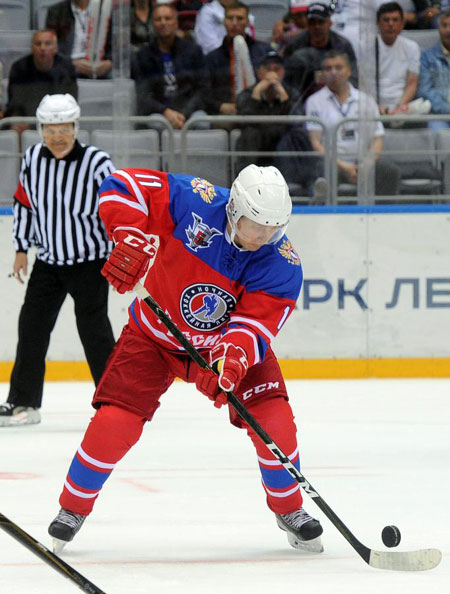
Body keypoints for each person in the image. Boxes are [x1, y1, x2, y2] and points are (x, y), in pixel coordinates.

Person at [47, 164, 324, 554]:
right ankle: (72, 508)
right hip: (152, 337)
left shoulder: (281, 263)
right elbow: (122, 184)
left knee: (275, 423)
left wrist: (233, 358)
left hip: (220, 350)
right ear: (233, 209)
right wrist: (128, 234)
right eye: (254, 225)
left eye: (273, 228)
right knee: (114, 423)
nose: (263, 237)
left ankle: (289, 508)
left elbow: (255, 325)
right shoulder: (195, 199)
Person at [0, 94, 116, 427]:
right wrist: (21, 248)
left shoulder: (97, 162)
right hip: (48, 262)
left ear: (75, 126)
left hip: (90, 262)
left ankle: (114, 402)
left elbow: (116, 208)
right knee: (31, 328)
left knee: (95, 332)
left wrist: (120, 250)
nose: (57, 136)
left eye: (64, 128)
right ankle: (23, 403)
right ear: (41, 129)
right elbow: (24, 203)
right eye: (50, 129)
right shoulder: (33, 157)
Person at [305, 50, 401, 195]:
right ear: (322, 74)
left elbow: (377, 140)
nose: (333, 72)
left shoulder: (366, 100)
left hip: (362, 161)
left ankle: (384, 216)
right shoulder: (314, 101)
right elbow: (316, 144)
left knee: (390, 171)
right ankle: (325, 215)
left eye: (338, 67)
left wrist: (365, 165)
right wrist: (345, 167)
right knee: (321, 173)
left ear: (349, 71)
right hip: (333, 163)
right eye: (328, 68)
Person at [132, 3, 209, 129]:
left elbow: (203, 88)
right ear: (153, 24)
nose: (163, 23)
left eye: (168, 18)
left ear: (176, 23)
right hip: (159, 112)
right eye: (158, 19)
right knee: (156, 123)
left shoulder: (193, 51)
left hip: (189, 110)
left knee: (202, 122)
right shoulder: (142, 56)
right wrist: (165, 111)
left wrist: (184, 113)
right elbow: (143, 94)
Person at [4, 29, 77, 134]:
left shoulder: (67, 68)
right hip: (25, 124)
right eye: (38, 44)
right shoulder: (19, 68)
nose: (42, 48)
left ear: (55, 48)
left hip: (57, 121)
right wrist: (19, 122)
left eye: (47, 44)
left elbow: (68, 102)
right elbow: (15, 103)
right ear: (32, 48)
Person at [235, 51, 300, 170]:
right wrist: (257, 92)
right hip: (257, 145)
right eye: (267, 69)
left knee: (292, 135)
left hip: (280, 144)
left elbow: (294, 120)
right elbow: (245, 121)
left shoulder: (292, 93)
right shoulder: (246, 94)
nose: (272, 73)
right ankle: (247, 176)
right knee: (250, 133)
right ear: (259, 72)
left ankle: (291, 182)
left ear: (283, 72)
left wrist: (282, 94)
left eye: (277, 69)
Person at [205, 1, 271, 117]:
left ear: (248, 22)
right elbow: (204, 92)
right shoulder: (212, 58)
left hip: (260, 111)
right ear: (224, 22)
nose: (234, 23)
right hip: (226, 114)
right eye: (230, 18)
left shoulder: (264, 52)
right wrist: (219, 106)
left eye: (239, 19)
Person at [284, 2, 358, 104]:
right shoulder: (294, 45)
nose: (317, 27)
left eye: (321, 22)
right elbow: (286, 79)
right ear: (307, 25)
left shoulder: (342, 45)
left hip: (337, 97)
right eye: (312, 23)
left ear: (329, 23)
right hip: (301, 99)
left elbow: (353, 77)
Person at [373, 2, 421, 117]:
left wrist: (399, 107)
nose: (390, 24)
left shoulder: (412, 47)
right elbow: (364, 83)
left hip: (402, 104)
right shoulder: (366, 46)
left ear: (402, 23)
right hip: (373, 105)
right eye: (386, 20)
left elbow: (412, 82)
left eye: (395, 20)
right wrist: (376, 107)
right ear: (378, 23)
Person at [46, 0, 113, 79]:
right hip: (69, 64)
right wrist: (71, 63)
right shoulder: (57, 11)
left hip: (100, 64)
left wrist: (109, 63)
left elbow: (115, 43)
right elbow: (51, 46)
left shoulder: (105, 9)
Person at [418, 9, 450, 130]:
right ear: (438, 29)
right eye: (444, 25)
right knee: (437, 131)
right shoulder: (426, 56)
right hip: (439, 114)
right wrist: (447, 110)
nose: (448, 30)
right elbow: (425, 90)